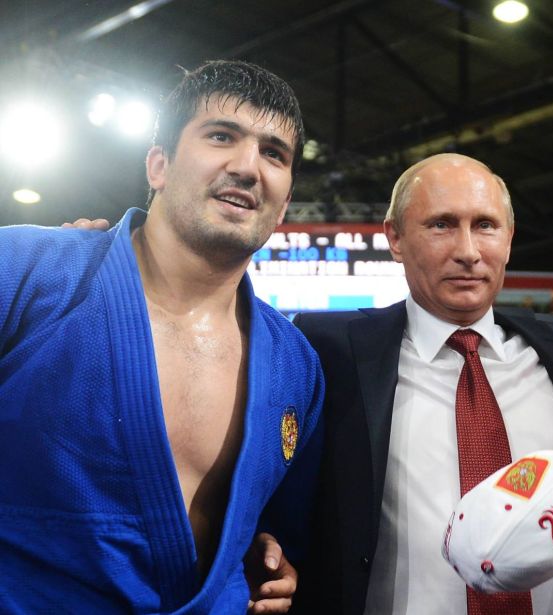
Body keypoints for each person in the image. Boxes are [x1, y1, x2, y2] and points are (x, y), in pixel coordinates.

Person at [0, 60, 323, 613]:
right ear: (159, 166)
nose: (248, 167)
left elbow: (277, 528)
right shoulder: (25, 272)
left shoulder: (297, 365)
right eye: (221, 136)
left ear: (285, 202)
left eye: (274, 153)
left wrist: (268, 559)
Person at [289, 153, 553, 614]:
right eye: (441, 225)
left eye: (486, 225)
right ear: (395, 237)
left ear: (509, 239)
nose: (468, 251)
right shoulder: (331, 352)